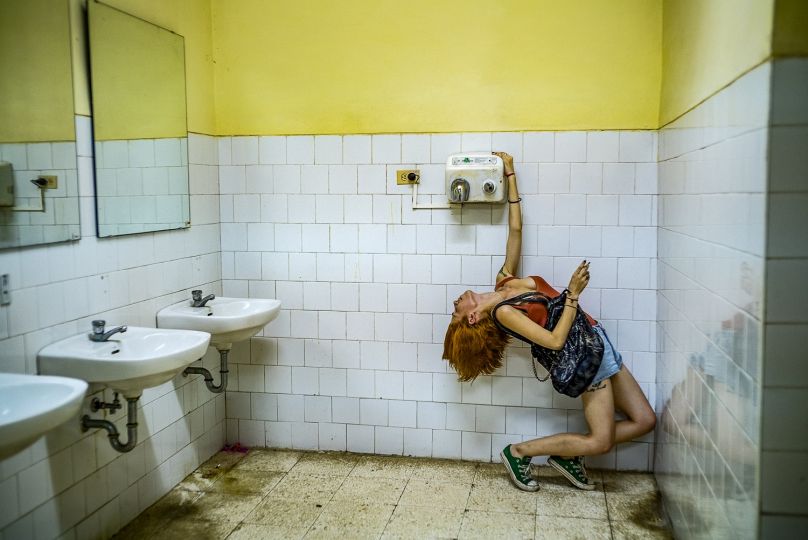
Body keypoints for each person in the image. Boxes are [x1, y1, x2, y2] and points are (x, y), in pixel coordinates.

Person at [442, 151, 656, 492]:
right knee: (600, 442)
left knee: (645, 420)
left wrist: (510, 174)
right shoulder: (504, 314)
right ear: (471, 316)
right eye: (455, 311)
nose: (454, 302)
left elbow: (515, 229)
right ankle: (520, 452)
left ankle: (570, 456)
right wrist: (572, 295)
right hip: (585, 358)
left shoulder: (503, 282)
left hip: (597, 340)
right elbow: (555, 341)